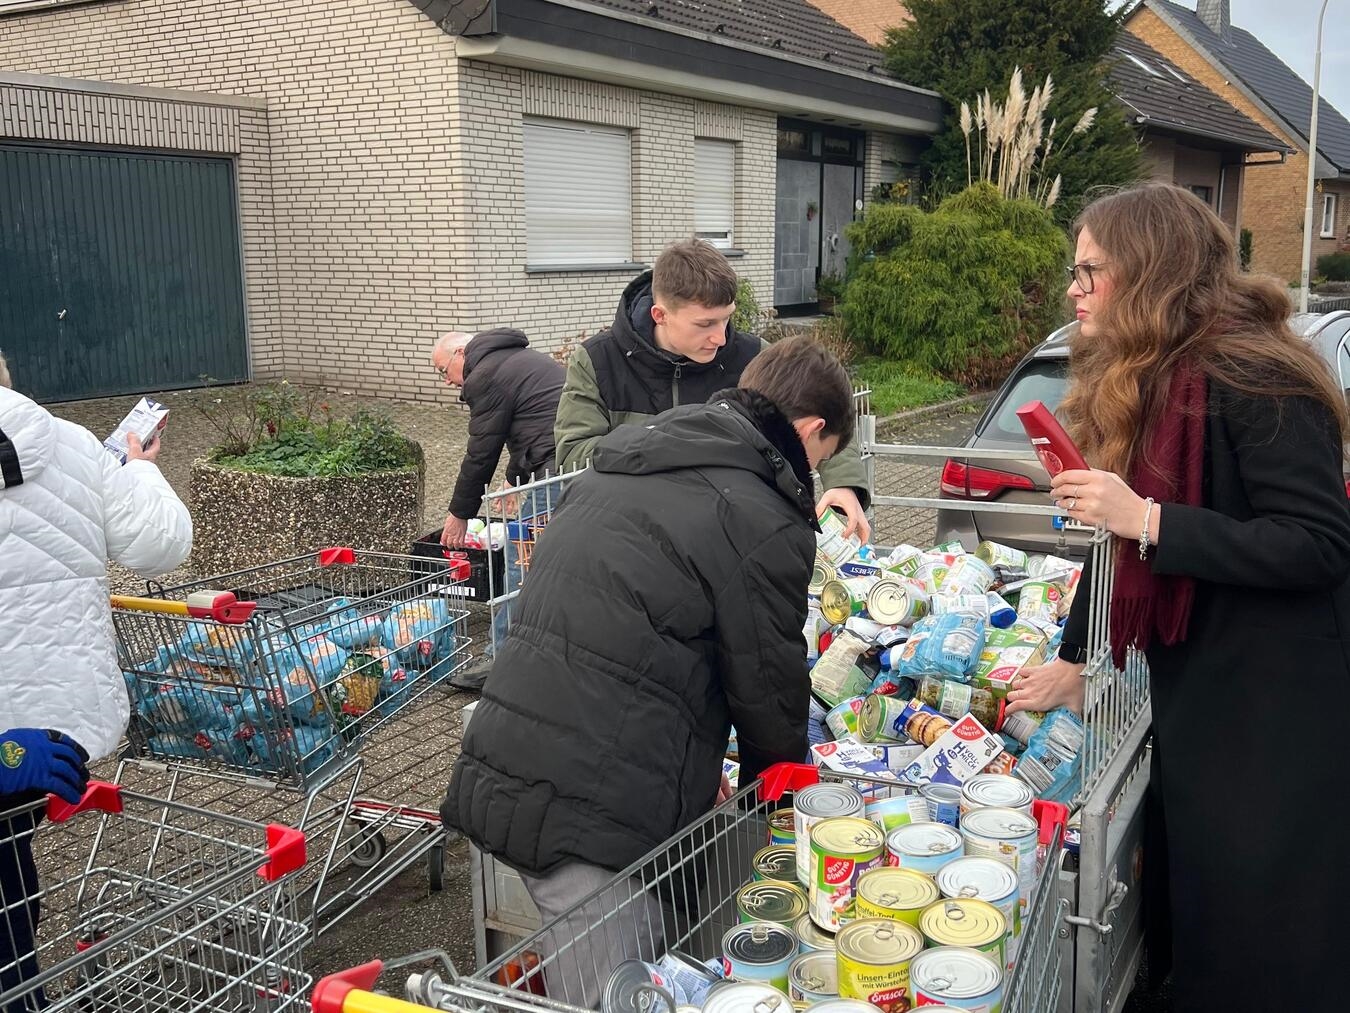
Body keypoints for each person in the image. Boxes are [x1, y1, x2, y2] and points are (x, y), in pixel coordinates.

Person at [1003, 183, 1350, 1009]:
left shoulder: (1257, 372)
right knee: (1206, 909)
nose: (1074, 289)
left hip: (1277, 710)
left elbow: (1319, 541)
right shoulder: (1160, 375)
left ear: (1148, 271)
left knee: (1264, 929)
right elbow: (1125, 547)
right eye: (1074, 271)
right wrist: (1080, 644)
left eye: (1091, 270)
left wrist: (1150, 517)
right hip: (1206, 689)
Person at [442, 335, 854, 1005]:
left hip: (510, 761)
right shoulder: (765, 514)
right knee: (620, 991)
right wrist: (775, 812)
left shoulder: (632, 460)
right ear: (809, 430)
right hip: (593, 822)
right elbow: (769, 688)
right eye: (822, 458)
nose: (817, 476)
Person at [1, 352, 193, 1009]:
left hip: (16, 756)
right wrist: (140, 468)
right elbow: (160, 545)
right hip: (49, 739)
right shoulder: (73, 445)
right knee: (11, 893)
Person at [553, 238, 873, 541]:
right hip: (632, 536)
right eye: (705, 324)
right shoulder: (597, 360)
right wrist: (675, 445)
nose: (720, 338)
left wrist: (845, 484)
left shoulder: (752, 356)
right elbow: (573, 456)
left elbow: (823, 411)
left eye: (726, 319)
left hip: (734, 537)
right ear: (660, 316)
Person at [430, 329, 564, 691]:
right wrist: (515, 479)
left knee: (521, 560)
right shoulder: (515, 359)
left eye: (444, 370)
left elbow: (481, 452)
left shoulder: (485, 374)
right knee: (554, 559)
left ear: (462, 352)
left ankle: (502, 659)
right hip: (571, 461)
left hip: (558, 472)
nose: (446, 381)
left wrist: (460, 514)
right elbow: (529, 423)